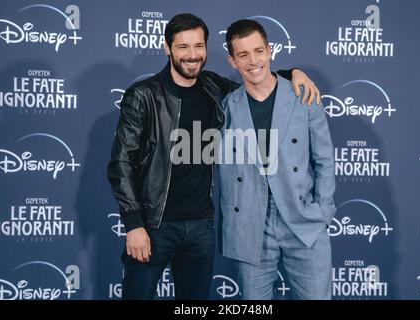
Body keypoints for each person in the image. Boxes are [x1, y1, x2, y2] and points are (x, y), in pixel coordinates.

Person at [107, 13, 320, 300]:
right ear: (167, 48)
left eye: (199, 46)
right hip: (154, 225)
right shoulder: (143, 96)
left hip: (200, 227)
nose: (192, 55)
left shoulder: (212, 87)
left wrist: (291, 73)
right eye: (183, 47)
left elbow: (257, 86)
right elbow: (121, 163)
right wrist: (134, 225)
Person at [219, 19, 335, 300]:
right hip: (250, 225)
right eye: (243, 55)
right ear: (232, 61)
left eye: (258, 51)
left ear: (269, 50)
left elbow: (324, 159)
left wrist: (323, 212)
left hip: (303, 220)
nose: (253, 61)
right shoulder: (225, 107)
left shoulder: (303, 96)